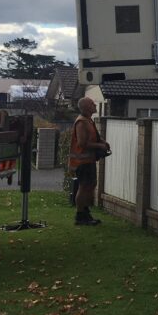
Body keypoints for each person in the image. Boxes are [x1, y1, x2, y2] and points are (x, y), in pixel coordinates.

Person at [69, 96, 109, 226]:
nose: (95, 106)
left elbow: (94, 138)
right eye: (93, 104)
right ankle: (80, 216)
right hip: (82, 162)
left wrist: (103, 142)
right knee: (84, 187)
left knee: (90, 186)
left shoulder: (89, 121)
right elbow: (82, 143)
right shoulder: (81, 122)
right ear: (86, 107)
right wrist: (99, 146)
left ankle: (85, 213)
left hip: (89, 160)